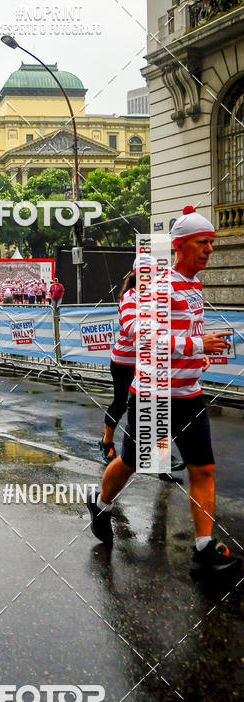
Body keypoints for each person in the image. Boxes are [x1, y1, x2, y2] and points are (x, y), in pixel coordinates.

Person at [88, 206, 241, 577]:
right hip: (154, 395)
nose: (209, 250)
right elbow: (145, 337)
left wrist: (199, 357)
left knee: (203, 468)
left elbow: (184, 335)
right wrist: (194, 344)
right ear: (181, 245)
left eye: (211, 244)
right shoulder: (160, 287)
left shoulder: (194, 286)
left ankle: (204, 547)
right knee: (134, 462)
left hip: (189, 394)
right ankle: (101, 503)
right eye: (202, 243)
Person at [99, 254, 154, 464]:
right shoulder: (130, 297)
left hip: (145, 361)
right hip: (123, 362)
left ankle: (162, 456)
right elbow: (132, 329)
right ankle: (107, 442)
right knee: (121, 404)